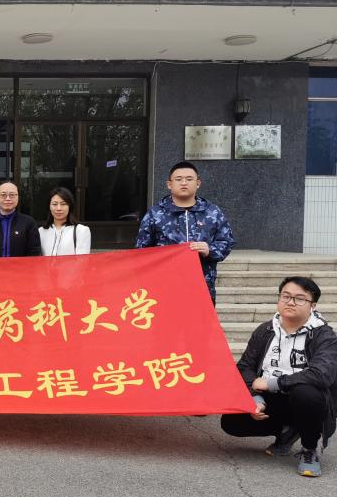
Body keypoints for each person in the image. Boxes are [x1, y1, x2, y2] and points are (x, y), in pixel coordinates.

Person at [222, 277, 337, 478]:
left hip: (305, 399)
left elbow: (321, 375)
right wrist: (255, 397)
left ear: (313, 305)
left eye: (300, 298)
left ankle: (309, 449)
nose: (291, 302)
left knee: (306, 393)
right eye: (286, 296)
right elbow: (245, 366)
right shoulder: (266, 330)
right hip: (270, 397)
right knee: (231, 421)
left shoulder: (324, 335)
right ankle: (287, 430)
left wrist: (272, 383)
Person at [136, 160, 234, 304]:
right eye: (178, 179)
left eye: (189, 179)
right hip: (165, 287)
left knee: (199, 319)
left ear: (198, 183)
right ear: (169, 184)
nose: (184, 183)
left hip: (202, 285)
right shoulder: (155, 214)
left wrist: (210, 250)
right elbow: (141, 250)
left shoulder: (212, 212)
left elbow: (226, 241)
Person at [0, 179, 42, 258]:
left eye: (12, 195)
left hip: (20, 266)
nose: (7, 198)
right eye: (3, 195)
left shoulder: (29, 223)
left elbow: (34, 252)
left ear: (18, 197)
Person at [39, 187, 92, 256]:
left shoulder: (81, 231)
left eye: (63, 204)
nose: (58, 208)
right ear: (49, 206)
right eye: (54, 204)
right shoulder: (41, 231)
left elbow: (82, 260)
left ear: (70, 206)